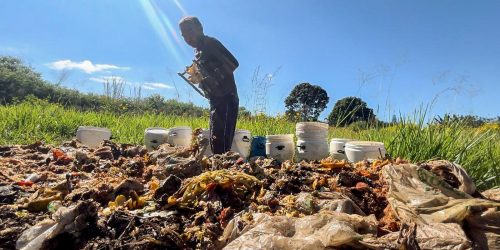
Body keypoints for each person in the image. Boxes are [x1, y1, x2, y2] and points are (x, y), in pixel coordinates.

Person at [179, 16, 239, 154]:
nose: (187, 37)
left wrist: (212, 78)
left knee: (222, 142)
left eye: (190, 31)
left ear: (200, 28)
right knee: (216, 139)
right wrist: (197, 76)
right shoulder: (198, 52)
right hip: (215, 99)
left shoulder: (210, 43)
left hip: (226, 97)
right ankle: (219, 169)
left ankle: (222, 170)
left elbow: (233, 62)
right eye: (184, 35)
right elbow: (206, 73)